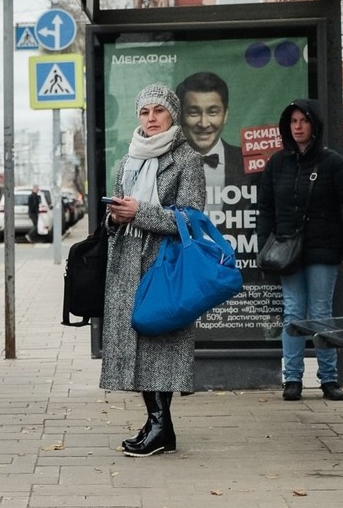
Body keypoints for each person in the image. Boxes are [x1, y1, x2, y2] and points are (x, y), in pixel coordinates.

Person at [101, 84, 205, 457]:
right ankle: (157, 424)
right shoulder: (127, 160)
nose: (151, 118)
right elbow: (116, 215)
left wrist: (139, 212)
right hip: (127, 263)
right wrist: (114, 218)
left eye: (158, 110)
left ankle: (161, 426)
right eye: (145, 112)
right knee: (139, 346)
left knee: (160, 345)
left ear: (172, 115)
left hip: (164, 265)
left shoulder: (187, 159)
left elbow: (191, 218)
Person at [256, 99, 343, 402]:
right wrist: (265, 250)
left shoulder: (333, 163)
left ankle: (329, 378)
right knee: (292, 312)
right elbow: (265, 209)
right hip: (287, 252)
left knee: (320, 313)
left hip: (324, 251)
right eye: (293, 121)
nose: (298, 126)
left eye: (304, 121)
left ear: (314, 125)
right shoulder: (277, 163)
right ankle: (292, 379)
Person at [176, 72, 247, 199]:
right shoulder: (164, 163)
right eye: (193, 113)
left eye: (213, 112)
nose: (204, 124)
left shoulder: (249, 163)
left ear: (225, 115)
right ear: (179, 115)